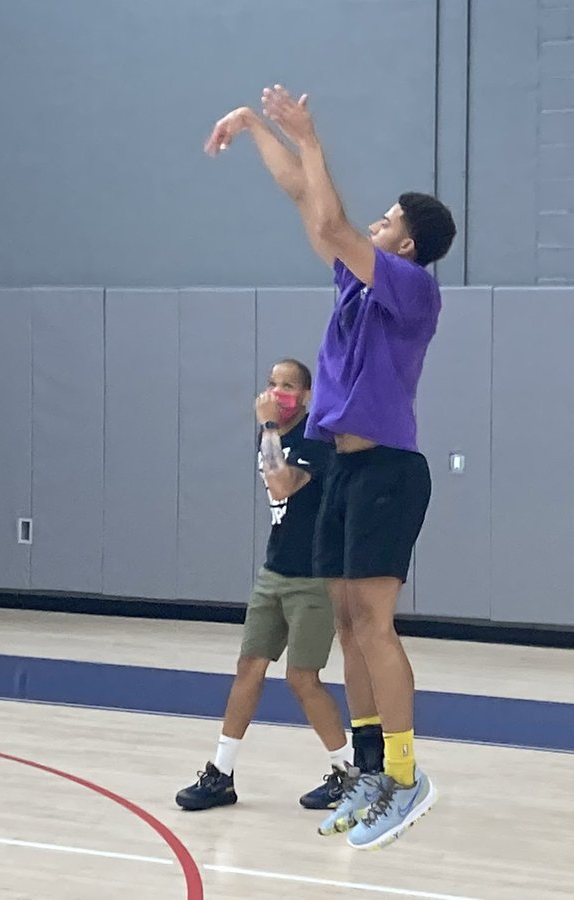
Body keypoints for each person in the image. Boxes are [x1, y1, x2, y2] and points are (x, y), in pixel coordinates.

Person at [203, 85, 456, 850]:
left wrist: (309, 134)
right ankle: (374, 769)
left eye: (388, 222)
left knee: (374, 626)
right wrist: (254, 128)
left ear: (405, 244)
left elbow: (330, 218)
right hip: (344, 473)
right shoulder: (357, 281)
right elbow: (306, 201)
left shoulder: (410, 286)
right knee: (347, 625)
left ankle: (409, 777)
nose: (372, 227)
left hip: (387, 469)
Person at [175, 359, 349, 813]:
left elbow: (282, 485)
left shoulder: (316, 436)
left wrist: (269, 424)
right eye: (272, 384)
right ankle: (221, 773)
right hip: (275, 570)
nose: (277, 392)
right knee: (249, 666)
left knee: (302, 678)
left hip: (313, 576)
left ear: (307, 396)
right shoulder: (271, 434)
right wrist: (270, 429)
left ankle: (347, 772)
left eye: (288, 386)